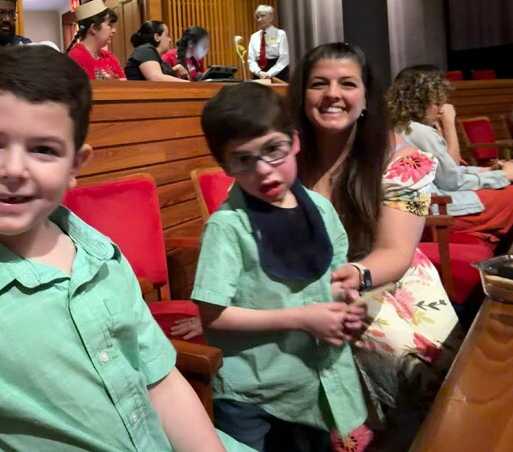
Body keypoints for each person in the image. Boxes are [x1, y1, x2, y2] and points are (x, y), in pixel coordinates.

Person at [0, 45, 253, 451]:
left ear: (75, 165)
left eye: (43, 149)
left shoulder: (100, 253)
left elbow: (159, 380)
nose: (14, 170)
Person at [289, 43, 462, 444]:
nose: (333, 94)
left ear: (366, 98)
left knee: (425, 368)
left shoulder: (404, 157)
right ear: (302, 95)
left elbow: (396, 253)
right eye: (319, 84)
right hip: (308, 283)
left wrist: (354, 275)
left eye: (347, 84)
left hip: (384, 277)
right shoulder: (283, 153)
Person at [193, 83, 371, 452]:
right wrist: (302, 318)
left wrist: (347, 306)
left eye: (273, 149)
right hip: (252, 392)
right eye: (243, 160)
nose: (264, 171)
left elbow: (333, 281)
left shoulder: (320, 209)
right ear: (226, 165)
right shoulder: (227, 227)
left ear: (294, 141)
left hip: (311, 380)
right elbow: (213, 315)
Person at [388, 65, 513, 247]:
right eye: (437, 103)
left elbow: (447, 171)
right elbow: (452, 181)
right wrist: (503, 176)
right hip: (439, 209)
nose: (441, 110)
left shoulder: (399, 126)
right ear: (419, 101)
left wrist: (488, 171)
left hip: (428, 206)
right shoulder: (419, 132)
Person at [65, 0, 125, 80]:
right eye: (110, 25)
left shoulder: (109, 56)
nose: (114, 30)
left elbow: (124, 86)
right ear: (94, 28)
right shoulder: (76, 57)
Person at [124, 20, 189, 82]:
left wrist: (174, 70)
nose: (170, 40)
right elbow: (155, 77)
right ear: (157, 37)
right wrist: (189, 84)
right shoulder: (145, 50)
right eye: (167, 35)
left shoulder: (152, 54)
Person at [247, 5, 289, 82]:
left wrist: (269, 73)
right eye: (257, 17)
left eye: (263, 16)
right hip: (259, 73)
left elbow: (284, 57)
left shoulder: (280, 33)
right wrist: (259, 72)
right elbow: (251, 59)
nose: (259, 19)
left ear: (271, 17)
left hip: (277, 73)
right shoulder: (254, 36)